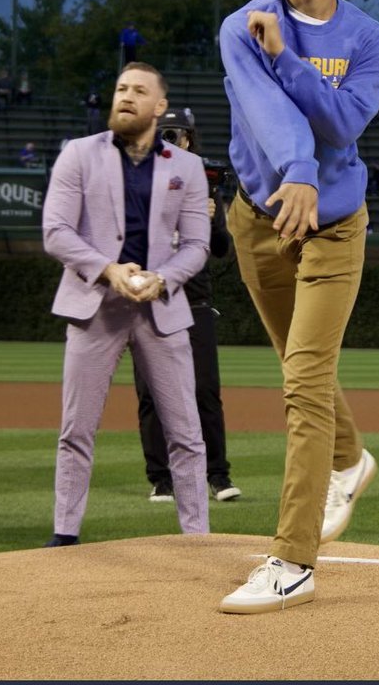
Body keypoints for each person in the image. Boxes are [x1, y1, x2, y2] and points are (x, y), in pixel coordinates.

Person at [217, 0, 379, 615]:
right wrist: (293, 172)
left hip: (332, 227)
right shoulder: (242, 24)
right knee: (297, 367)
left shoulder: (369, 40)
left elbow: (344, 125)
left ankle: (293, 561)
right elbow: (266, 118)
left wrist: (290, 59)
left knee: (302, 385)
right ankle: (351, 461)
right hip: (257, 219)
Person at [41, 62, 210, 549]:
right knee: (76, 430)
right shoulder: (78, 154)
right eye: (120, 89)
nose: (126, 97)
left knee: (186, 433)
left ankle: (197, 538)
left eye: (139, 91)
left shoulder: (188, 167)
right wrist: (109, 269)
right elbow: (56, 232)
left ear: (159, 107)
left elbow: (196, 245)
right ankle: (65, 532)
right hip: (95, 305)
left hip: (161, 308)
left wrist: (164, 278)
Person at [136, 108, 241, 505]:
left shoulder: (203, 186)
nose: (170, 139)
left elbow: (220, 251)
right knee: (150, 393)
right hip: (151, 297)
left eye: (177, 134)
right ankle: (161, 478)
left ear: (189, 139)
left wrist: (210, 220)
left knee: (205, 391)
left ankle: (218, 475)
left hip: (195, 298)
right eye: (163, 132)